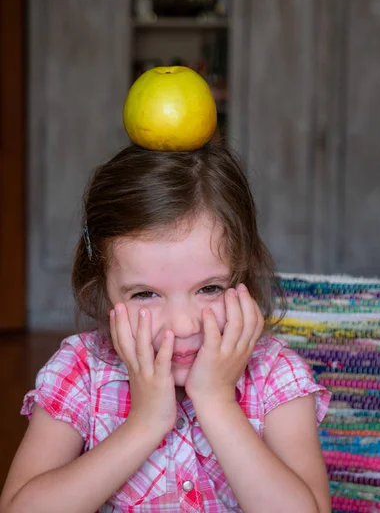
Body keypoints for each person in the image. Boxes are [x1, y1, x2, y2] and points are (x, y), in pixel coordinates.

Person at [0, 142, 331, 513]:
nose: (184, 324)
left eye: (209, 288)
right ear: (103, 288)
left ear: (244, 273)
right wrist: (143, 424)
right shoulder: (81, 371)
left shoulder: (274, 376)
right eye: (145, 294)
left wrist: (216, 401)